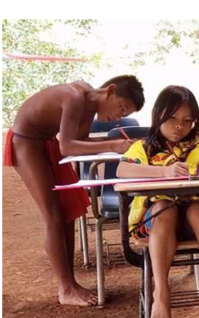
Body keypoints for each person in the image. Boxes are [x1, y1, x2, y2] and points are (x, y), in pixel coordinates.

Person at [3, 75, 145, 306]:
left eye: (124, 115)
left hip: (45, 143)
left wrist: (117, 146)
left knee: (66, 214)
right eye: (121, 108)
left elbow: (80, 140)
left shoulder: (89, 103)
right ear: (109, 90)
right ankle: (65, 288)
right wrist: (111, 144)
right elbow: (67, 146)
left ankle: (70, 283)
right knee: (53, 215)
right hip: (26, 141)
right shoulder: (75, 97)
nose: (118, 117)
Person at [116, 85, 199, 318]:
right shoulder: (145, 146)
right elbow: (123, 170)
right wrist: (163, 172)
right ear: (158, 115)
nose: (179, 126)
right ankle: (161, 292)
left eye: (187, 120)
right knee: (163, 206)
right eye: (173, 118)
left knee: (197, 209)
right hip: (159, 227)